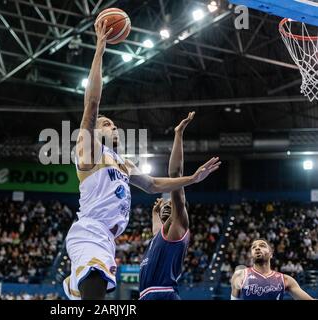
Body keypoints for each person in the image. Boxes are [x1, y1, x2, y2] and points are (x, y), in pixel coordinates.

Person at [62, 17, 221, 300]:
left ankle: (74, 284)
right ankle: (77, 283)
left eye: (113, 123)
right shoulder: (89, 152)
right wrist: (100, 49)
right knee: (95, 292)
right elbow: (92, 103)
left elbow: (154, 185)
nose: (112, 125)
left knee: (95, 289)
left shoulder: (124, 165)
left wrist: (193, 178)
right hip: (90, 230)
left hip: (107, 238)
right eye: (106, 123)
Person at [139, 112, 200, 300]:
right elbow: (156, 227)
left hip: (163, 294)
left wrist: (178, 133)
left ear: (180, 209)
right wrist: (155, 211)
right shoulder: (161, 235)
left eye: (170, 205)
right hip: (147, 296)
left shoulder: (179, 225)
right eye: (164, 204)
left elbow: (175, 174)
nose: (167, 205)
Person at [230, 239, 314, 300]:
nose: (257, 248)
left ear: (271, 254)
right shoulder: (240, 275)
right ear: (251, 254)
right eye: (253, 247)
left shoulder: (285, 279)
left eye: (262, 246)